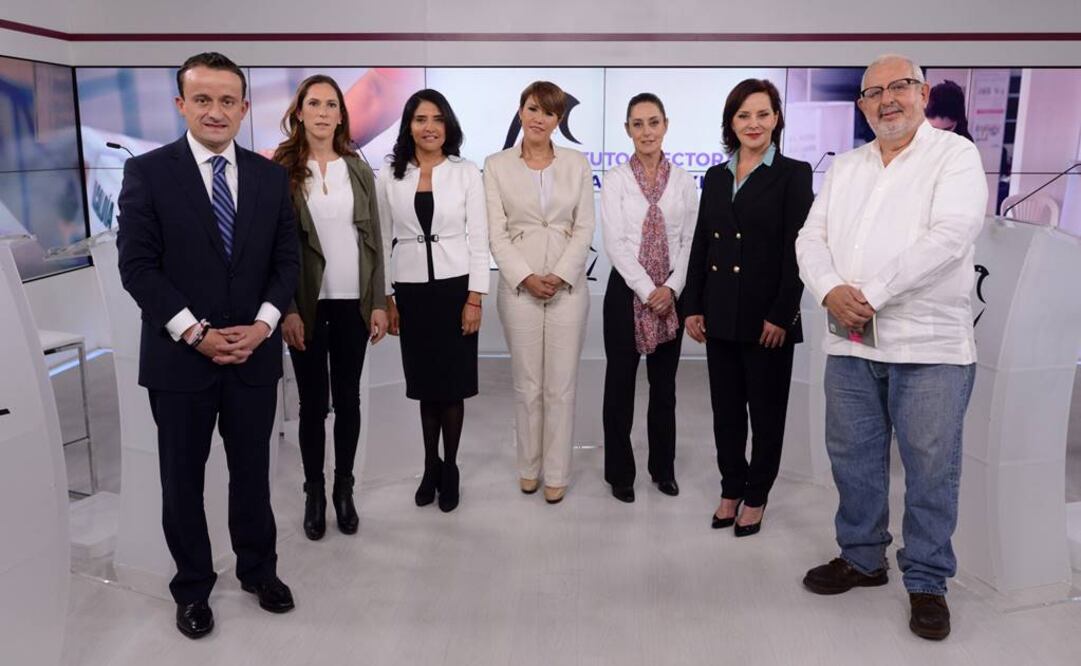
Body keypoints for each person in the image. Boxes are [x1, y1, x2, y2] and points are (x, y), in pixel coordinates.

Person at [795, 54, 987, 641]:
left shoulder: (955, 157)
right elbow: (811, 236)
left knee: (930, 469)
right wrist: (829, 290)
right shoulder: (848, 166)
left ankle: (927, 581)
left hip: (930, 346)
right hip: (853, 342)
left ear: (922, 93)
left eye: (898, 87)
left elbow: (950, 238)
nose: (886, 100)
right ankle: (862, 557)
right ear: (862, 105)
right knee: (852, 458)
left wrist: (871, 293)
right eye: (873, 92)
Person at [116, 52, 300, 639]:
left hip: (253, 355)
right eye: (203, 99)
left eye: (227, 100)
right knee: (182, 481)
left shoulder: (271, 176)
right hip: (179, 363)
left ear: (245, 108)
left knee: (252, 474)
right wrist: (194, 332)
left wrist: (265, 325)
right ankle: (193, 588)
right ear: (181, 105)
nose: (215, 111)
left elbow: (286, 262)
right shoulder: (148, 173)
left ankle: (258, 570)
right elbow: (138, 268)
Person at [683, 79, 814, 537]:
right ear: (730, 123)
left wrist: (783, 314)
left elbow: (798, 251)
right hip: (720, 315)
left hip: (767, 319)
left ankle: (757, 495)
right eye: (743, 115)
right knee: (726, 412)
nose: (753, 124)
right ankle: (730, 488)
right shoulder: (716, 176)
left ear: (777, 118)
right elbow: (702, 243)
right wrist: (692, 305)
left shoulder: (795, 174)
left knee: (766, 412)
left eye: (762, 114)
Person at [273, 75, 388, 541]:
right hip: (305, 303)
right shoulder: (280, 168)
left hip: (352, 305)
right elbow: (275, 246)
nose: (322, 112)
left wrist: (379, 301)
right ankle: (314, 492)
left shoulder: (357, 169)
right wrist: (286, 309)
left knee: (349, 400)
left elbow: (375, 239)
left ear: (342, 114)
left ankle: (345, 489)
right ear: (299, 112)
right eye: (313, 103)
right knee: (312, 404)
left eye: (331, 104)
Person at [377, 89, 488, 513]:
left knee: (452, 386)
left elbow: (480, 238)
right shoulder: (389, 173)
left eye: (437, 119)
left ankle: (452, 468)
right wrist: (387, 295)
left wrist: (475, 297)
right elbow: (382, 237)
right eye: (421, 119)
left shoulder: (466, 172)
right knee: (425, 386)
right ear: (409, 125)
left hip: (455, 287)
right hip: (410, 289)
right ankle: (429, 466)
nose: (429, 127)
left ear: (448, 126)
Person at [484, 81, 595, 504]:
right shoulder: (496, 165)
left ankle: (557, 472)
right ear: (520, 111)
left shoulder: (577, 163)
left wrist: (562, 273)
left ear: (558, 120)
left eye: (548, 113)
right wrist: (527, 276)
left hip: (568, 288)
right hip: (518, 287)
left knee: (561, 386)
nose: (538, 118)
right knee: (527, 384)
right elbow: (496, 233)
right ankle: (528, 467)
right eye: (532, 109)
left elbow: (584, 226)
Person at [600, 93, 698, 503]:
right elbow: (615, 242)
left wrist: (671, 289)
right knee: (620, 387)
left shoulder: (684, 181)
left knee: (664, 389)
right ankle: (620, 474)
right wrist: (647, 290)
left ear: (665, 125)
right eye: (637, 124)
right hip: (626, 292)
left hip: (671, 294)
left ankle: (663, 469)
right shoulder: (616, 179)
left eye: (653, 122)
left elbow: (690, 240)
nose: (646, 131)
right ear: (627, 130)